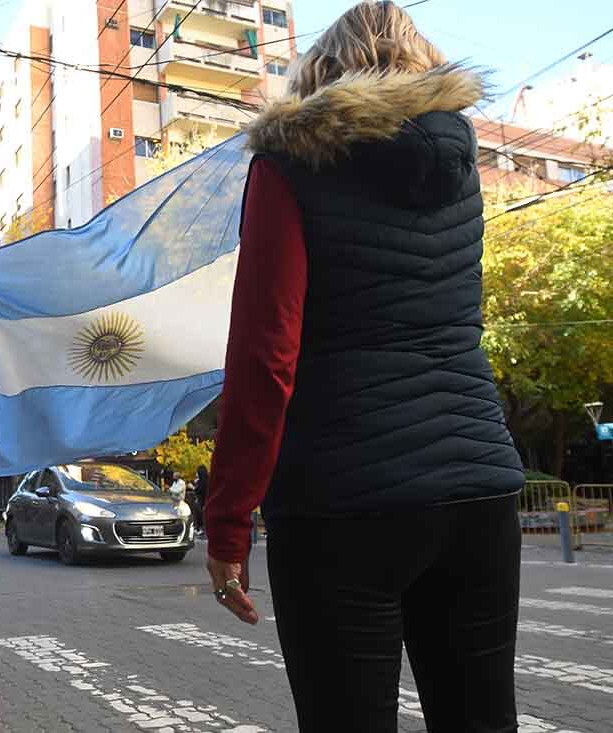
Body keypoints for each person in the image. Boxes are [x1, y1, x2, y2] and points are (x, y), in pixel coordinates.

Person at [203, 3, 525, 732]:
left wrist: (228, 522)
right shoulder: (459, 162)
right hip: (479, 485)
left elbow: (265, 356)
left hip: (341, 500)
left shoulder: (288, 163)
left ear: (323, 72)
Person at [193, 464, 208, 534]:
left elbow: (198, 490)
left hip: (201, 500)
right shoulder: (208, 480)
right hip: (205, 500)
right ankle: (200, 528)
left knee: (199, 514)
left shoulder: (201, 482)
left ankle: (200, 528)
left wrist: (194, 487)